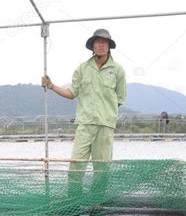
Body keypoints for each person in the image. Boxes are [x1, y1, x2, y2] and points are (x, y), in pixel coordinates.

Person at [42, 29, 126, 196]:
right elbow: (72, 93)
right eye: (98, 41)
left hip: (105, 126)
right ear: (92, 46)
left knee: (102, 169)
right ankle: (74, 204)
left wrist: (105, 114)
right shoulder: (82, 69)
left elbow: (120, 98)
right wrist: (51, 86)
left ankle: (97, 206)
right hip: (84, 125)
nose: (101, 44)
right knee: (76, 166)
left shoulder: (118, 70)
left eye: (104, 42)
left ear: (109, 46)